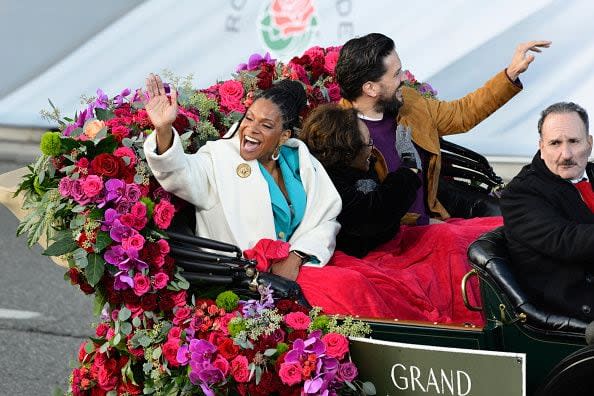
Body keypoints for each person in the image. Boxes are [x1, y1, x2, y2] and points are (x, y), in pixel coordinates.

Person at [143, 75, 341, 281]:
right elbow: (179, 172)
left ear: (284, 136)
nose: (252, 128)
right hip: (245, 284)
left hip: (304, 267)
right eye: (249, 117)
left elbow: (326, 217)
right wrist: (163, 129)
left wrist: (296, 256)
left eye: (266, 125)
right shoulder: (218, 158)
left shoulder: (299, 160)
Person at [335, 33, 551, 223]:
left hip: (434, 224)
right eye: (396, 74)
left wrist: (510, 74)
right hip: (393, 239)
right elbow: (366, 213)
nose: (404, 78)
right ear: (370, 88)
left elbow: (461, 114)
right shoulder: (340, 134)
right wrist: (423, 225)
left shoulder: (409, 102)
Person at [501, 102, 594, 322]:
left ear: (589, 144)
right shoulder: (520, 194)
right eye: (555, 143)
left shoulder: (589, 172)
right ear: (541, 147)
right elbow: (567, 240)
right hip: (573, 308)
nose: (566, 154)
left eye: (574, 141)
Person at [300, 103, 421, 257]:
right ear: (348, 152)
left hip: (389, 246)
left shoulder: (362, 165)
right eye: (368, 142)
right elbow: (373, 213)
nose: (372, 148)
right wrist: (409, 169)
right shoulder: (326, 182)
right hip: (355, 261)